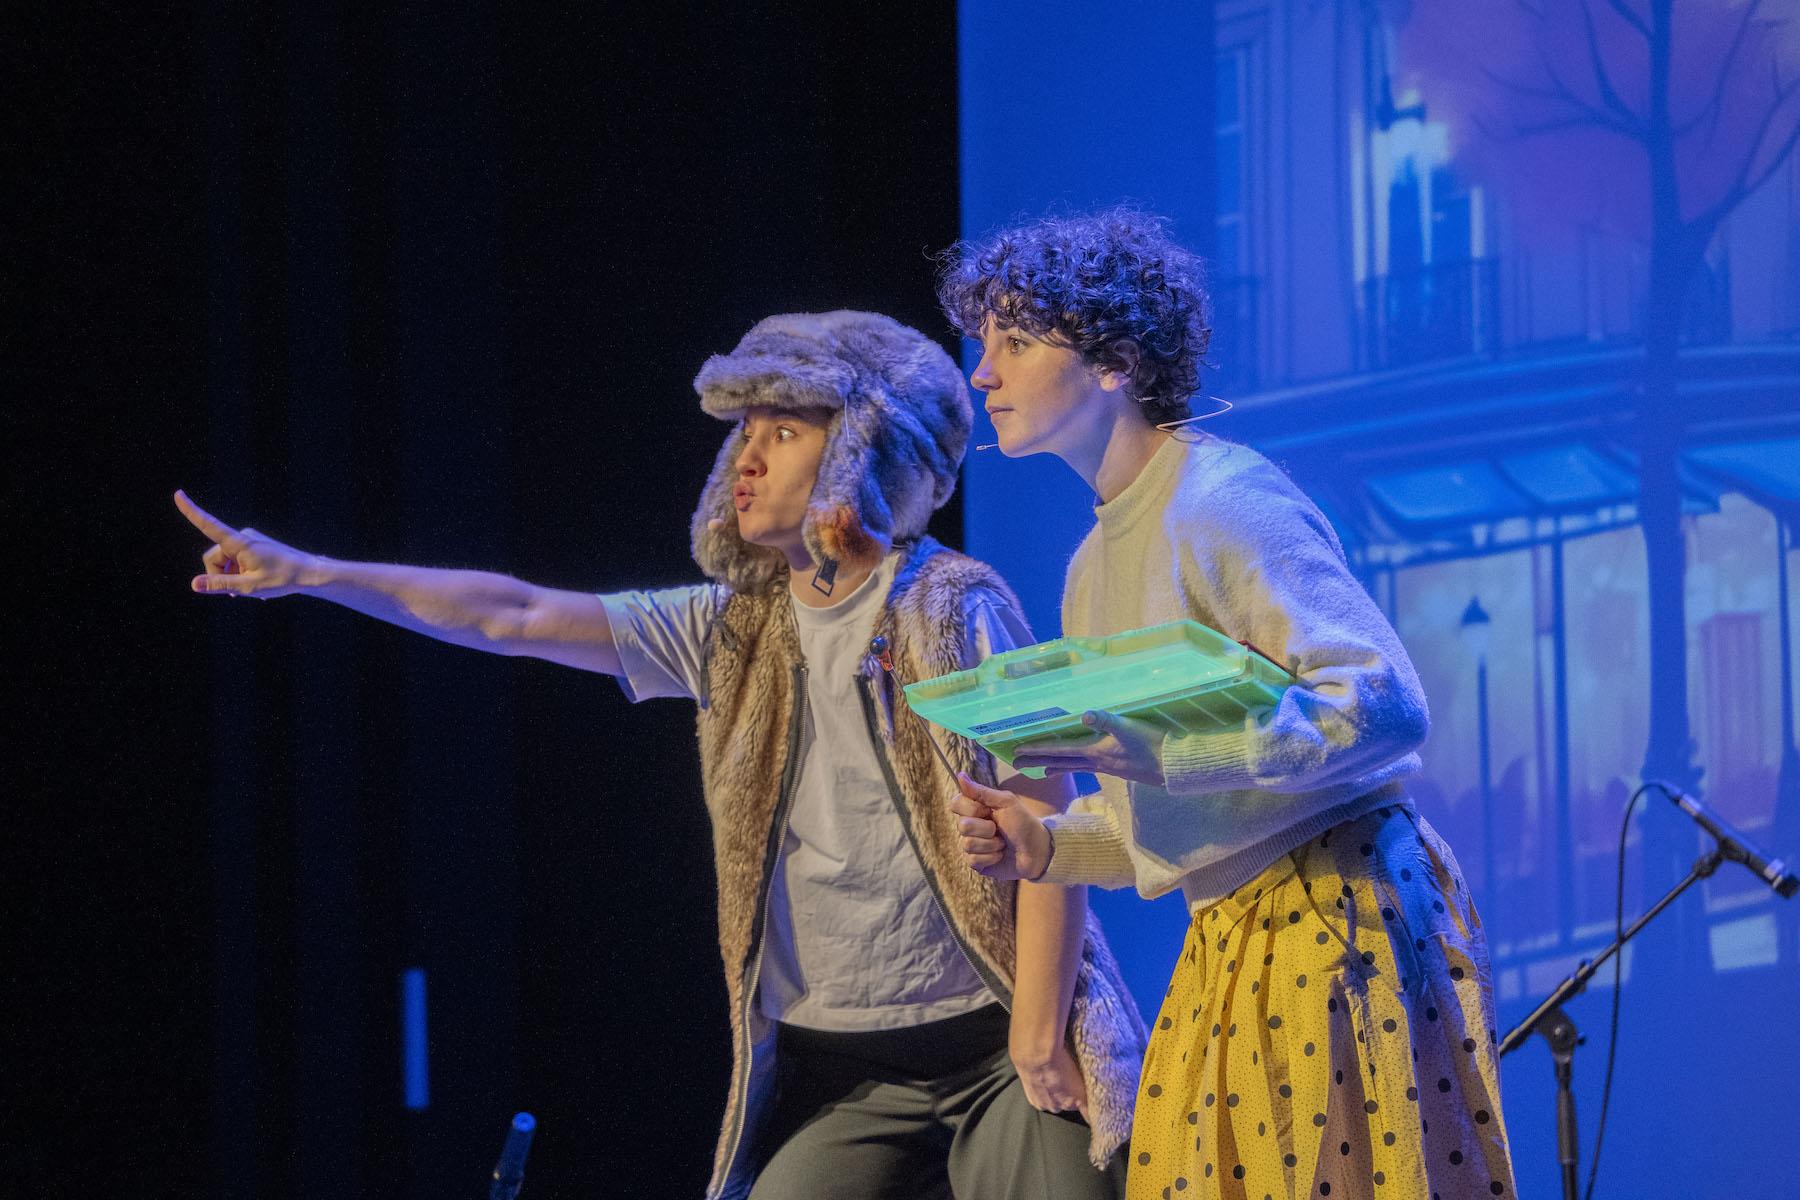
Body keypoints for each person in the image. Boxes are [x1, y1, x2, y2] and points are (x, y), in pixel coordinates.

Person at [176, 309, 1145, 1200]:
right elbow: (514, 614)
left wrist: (1036, 1033)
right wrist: (312, 573)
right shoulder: (729, 629)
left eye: (783, 432)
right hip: (850, 1072)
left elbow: (1046, 811)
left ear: (863, 449)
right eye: (744, 435)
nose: (745, 461)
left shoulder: (951, 605)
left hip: (996, 1044)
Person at [936, 211, 1517, 1200]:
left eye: (1017, 342)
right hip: (1230, 933)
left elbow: (1383, 704)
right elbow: (1177, 808)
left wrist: (1169, 753)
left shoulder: (1222, 500)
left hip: (1335, 908)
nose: (983, 373)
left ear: (1115, 361)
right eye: (983, 346)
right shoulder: (1091, 569)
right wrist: (1046, 844)